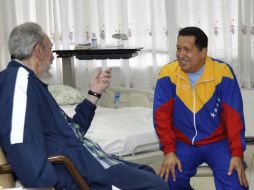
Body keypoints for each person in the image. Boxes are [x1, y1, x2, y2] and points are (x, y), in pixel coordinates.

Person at [0, 22, 168, 190]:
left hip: (95, 162)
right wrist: (45, 184)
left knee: (149, 173)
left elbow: (73, 132)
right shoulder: (17, 80)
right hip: (85, 174)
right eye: (50, 49)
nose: (52, 56)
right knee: (157, 186)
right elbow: (20, 141)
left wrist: (94, 93)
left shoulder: (32, 85)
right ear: (38, 51)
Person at [153, 26, 249, 190]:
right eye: (178, 49)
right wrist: (169, 151)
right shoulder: (167, 74)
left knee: (236, 184)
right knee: (169, 180)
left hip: (218, 142)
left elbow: (234, 117)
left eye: (187, 50)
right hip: (184, 143)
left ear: (203, 52)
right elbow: (161, 117)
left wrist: (237, 154)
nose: (180, 55)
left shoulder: (222, 72)